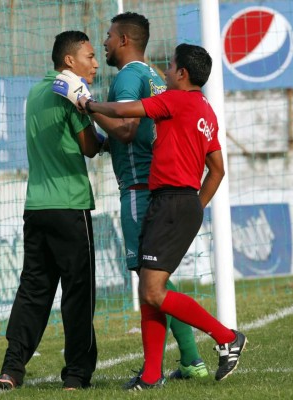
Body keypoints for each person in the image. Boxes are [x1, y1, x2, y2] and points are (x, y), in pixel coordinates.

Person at [77, 43, 247, 390]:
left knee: (153, 290)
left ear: (182, 74)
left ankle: (226, 336)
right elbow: (217, 170)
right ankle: (152, 376)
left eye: (169, 67)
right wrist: (197, 205)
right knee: (150, 289)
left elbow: (128, 112)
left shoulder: (176, 99)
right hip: (181, 203)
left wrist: (89, 104)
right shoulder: (206, 111)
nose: (164, 73)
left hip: (169, 202)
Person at [85, 12, 208, 381]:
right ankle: (186, 360)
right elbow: (135, 134)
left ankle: (193, 355)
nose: (104, 42)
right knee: (154, 278)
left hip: (139, 189)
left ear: (124, 40)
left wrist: (85, 105)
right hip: (153, 185)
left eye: (108, 36)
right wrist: (107, 144)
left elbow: (125, 127)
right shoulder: (155, 75)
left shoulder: (127, 75)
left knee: (151, 281)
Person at [0, 31, 101, 391]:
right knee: (79, 292)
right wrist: (108, 136)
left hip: (36, 207)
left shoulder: (36, 92)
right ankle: (76, 375)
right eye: (89, 56)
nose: (95, 63)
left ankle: (12, 368)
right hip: (69, 206)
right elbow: (88, 147)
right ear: (69, 61)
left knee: (34, 290)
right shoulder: (69, 94)